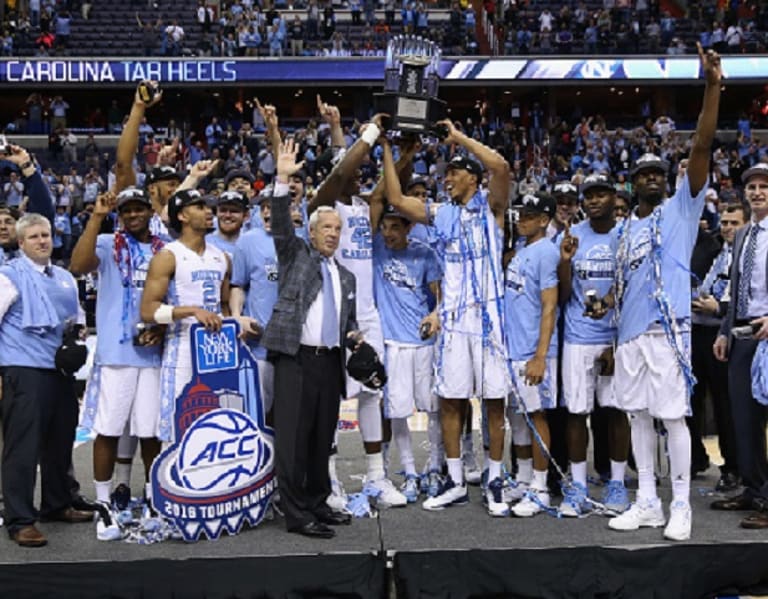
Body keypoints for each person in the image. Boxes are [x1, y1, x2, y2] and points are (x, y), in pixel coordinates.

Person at [595, 44, 721, 541]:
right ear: (631, 184)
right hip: (629, 335)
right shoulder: (624, 231)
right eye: (642, 174)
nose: (651, 177)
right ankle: (647, 499)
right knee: (639, 418)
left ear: (666, 182)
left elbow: (703, 147)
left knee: (674, 418)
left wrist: (712, 86)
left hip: (668, 331)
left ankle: (681, 504)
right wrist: (606, 311)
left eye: (657, 173)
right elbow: (621, 287)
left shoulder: (680, 211)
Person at [387, 119, 512, 516]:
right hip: (455, 321)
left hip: (489, 319)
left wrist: (459, 138)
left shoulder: (492, 208)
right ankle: (456, 480)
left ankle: (494, 479)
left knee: (495, 402)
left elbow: (502, 167)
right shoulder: (441, 213)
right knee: (452, 401)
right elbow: (395, 198)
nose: (447, 179)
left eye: (454, 173)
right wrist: (392, 153)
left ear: (473, 179)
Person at [309, 99, 406, 508]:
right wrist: (360, 133)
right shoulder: (320, 206)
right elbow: (342, 169)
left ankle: (375, 478)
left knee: (372, 393)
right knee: (332, 398)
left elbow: (389, 184)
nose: (355, 175)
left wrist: (400, 145)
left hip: (367, 312)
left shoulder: (365, 207)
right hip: (335, 313)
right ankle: (329, 479)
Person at [262, 139, 358, 539]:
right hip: (295, 360)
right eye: (326, 228)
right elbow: (282, 225)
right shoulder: (296, 255)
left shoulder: (346, 276)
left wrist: (355, 336)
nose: (333, 234)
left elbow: (343, 323)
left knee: (322, 441)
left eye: (338, 228)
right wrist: (283, 178)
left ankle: (318, 502)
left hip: (328, 364)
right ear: (313, 231)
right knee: (294, 441)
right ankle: (297, 513)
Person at [70, 187, 166, 541]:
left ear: (149, 211)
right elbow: (78, 266)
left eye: (140, 208)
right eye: (127, 210)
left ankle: (156, 498)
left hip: (152, 353)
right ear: (120, 215)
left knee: (151, 431)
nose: (134, 215)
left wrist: (163, 327)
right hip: (115, 352)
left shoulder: (163, 247)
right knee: (108, 429)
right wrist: (96, 216)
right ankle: (104, 502)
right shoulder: (109, 243)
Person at [0, 214, 93, 547]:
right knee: (22, 449)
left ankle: (57, 504)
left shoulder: (66, 277)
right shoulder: (8, 276)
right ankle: (20, 519)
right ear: (21, 243)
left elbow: (77, 319)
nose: (42, 240)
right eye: (34, 237)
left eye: (46, 235)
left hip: (60, 372)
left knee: (59, 444)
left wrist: (77, 342)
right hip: (23, 370)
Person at [557, 174, 630, 517]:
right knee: (576, 413)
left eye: (601, 194)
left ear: (614, 198)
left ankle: (616, 483)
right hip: (577, 336)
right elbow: (560, 294)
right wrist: (566, 261)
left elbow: (633, 288)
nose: (593, 201)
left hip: (615, 337)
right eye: (589, 196)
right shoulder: (571, 236)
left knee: (616, 411)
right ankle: (578, 486)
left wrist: (617, 342)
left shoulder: (627, 235)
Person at [374, 141, 442, 502]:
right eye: (385, 226)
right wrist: (394, 155)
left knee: (432, 409)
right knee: (397, 411)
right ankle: (410, 471)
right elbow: (382, 193)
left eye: (395, 227)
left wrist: (436, 313)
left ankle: (433, 468)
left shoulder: (424, 252)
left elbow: (439, 293)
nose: (389, 233)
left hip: (424, 341)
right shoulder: (375, 249)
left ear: (408, 228)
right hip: (394, 343)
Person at [140, 188, 231, 443]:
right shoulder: (168, 256)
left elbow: (224, 305)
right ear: (182, 215)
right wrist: (191, 311)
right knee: (175, 426)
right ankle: (169, 482)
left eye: (208, 206)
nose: (209, 212)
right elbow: (148, 310)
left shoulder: (222, 257)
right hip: (181, 350)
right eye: (200, 207)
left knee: (216, 423)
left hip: (216, 350)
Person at [712, 163, 768, 529]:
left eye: (765, 186)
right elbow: (733, 291)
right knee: (742, 418)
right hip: (742, 333)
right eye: (752, 187)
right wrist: (723, 329)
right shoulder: (744, 234)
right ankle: (754, 488)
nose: (758, 192)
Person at [503, 192, 559, 518]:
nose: (522, 219)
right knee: (518, 419)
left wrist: (540, 356)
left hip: (532, 351)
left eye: (530, 214)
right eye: (521, 213)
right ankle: (524, 479)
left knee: (537, 417)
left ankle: (540, 487)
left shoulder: (547, 252)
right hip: (514, 348)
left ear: (544, 220)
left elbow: (549, 306)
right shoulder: (523, 250)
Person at [229, 187, 306, 418]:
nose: (269, 212)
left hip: (296, 345)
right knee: (258, 412)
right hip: (259, 344)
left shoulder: (302, 241)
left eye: (275, 206)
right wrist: (236, 316)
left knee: (291, 415)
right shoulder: (248, 241)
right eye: (265, 207)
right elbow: (238, 285)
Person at [692, 204, 746, 493]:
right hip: (700, 331)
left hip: (725, 333)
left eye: (734, 222)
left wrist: (718, 308)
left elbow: (747, 297)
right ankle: (698, 458)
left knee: (726, 406)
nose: (727, 227)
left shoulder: (748, 254)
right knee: (694, 400)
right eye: (724, 222)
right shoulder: (719, 251)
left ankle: (734, 468)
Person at [206, 190, 249, 256]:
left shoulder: (252, 244)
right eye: (223, 210)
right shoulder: (204, 243)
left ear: (246, 216)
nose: (227, 215)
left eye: (234, 211)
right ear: (216, 213)